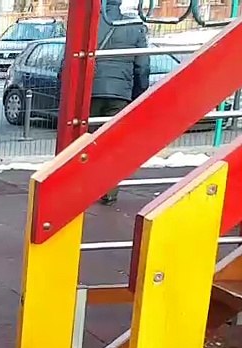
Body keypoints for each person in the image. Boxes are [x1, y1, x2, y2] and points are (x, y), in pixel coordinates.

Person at [93, 0, 150, 205]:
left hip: (90, 91)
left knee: (87, 143)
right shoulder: (134, 27)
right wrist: (138, 94)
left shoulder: (90, 25)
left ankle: (81, 187)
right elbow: (142, 67)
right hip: (120, 94)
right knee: (112, 143)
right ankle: (109, 191)